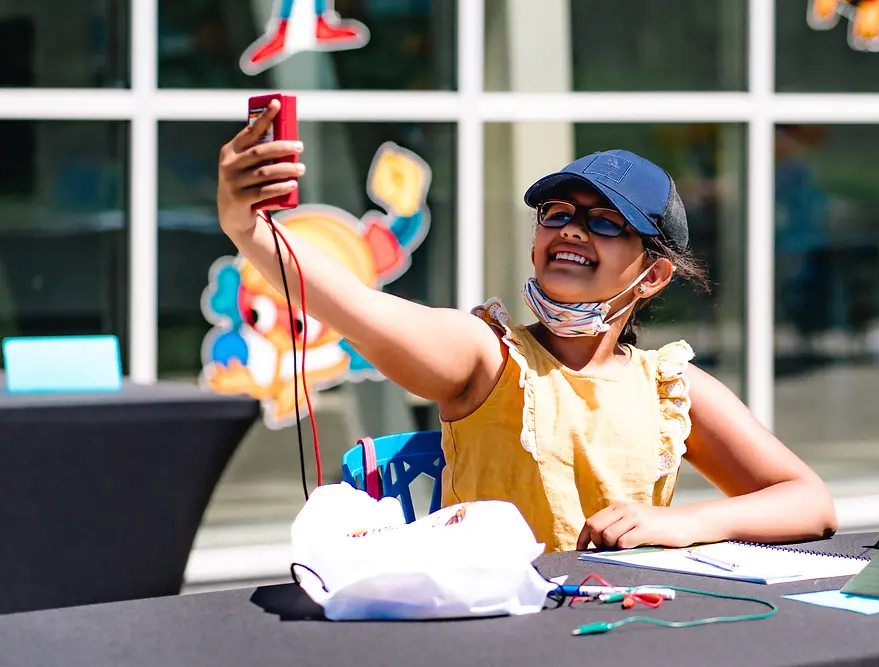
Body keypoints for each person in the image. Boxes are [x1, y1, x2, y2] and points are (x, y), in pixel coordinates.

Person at [216, 100, 838, 553]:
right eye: (557, 212)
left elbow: (811, 503)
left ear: (652, 277)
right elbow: (357, 304)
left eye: (604, 223)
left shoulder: (671, 387)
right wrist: (249, 231)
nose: (570, 229)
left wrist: (690, 522)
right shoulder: (487, 357)